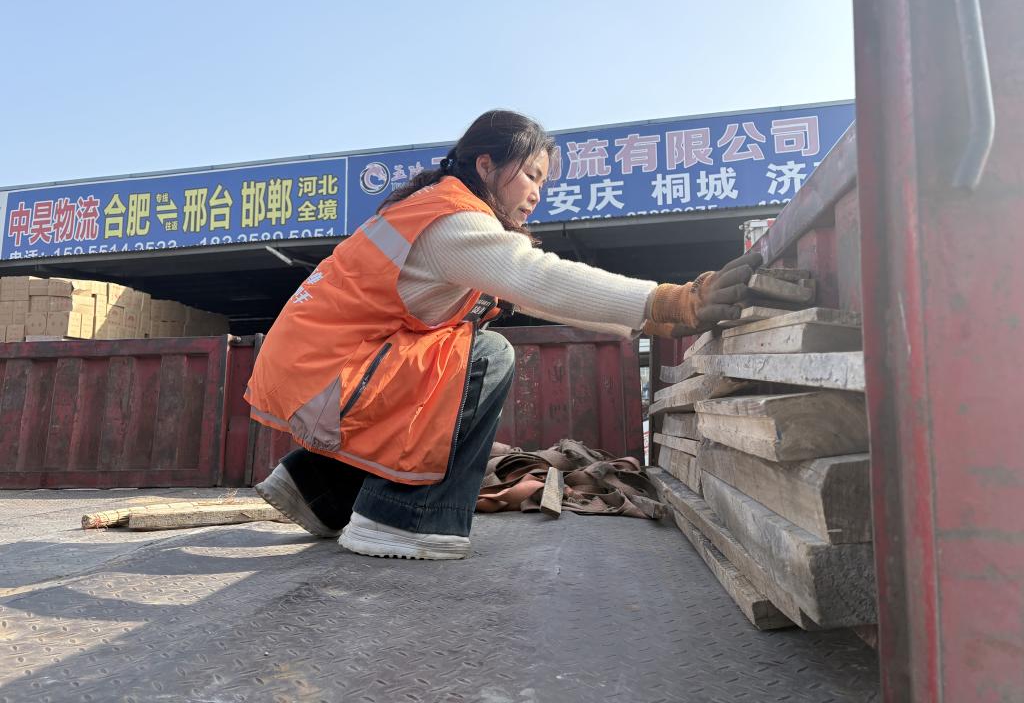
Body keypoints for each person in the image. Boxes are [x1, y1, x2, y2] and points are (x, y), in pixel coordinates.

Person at [246, 109, 760, 560]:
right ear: (486, 165)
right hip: (331, 377)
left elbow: (530, 293)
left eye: (544, 182)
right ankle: (404, 518)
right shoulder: (453, 220)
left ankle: (316, 488)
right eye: (530, 174)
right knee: (485, 354)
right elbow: (539, 279)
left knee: (447, 348)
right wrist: (669, 302)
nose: (536, 192)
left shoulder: (429, 209)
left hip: (318, 368)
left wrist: (647, 319)